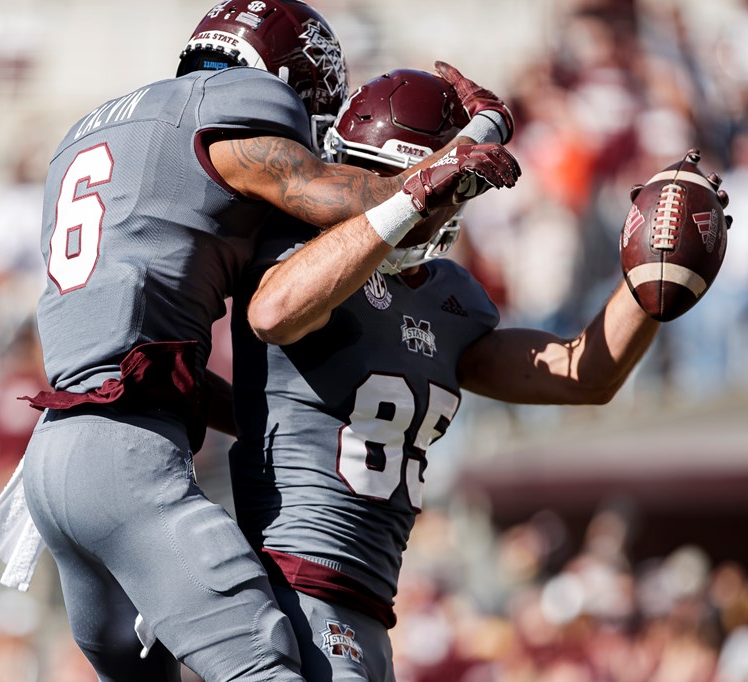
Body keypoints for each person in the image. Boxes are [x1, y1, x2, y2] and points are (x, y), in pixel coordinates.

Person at [0, 1, 520, 678]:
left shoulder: (88, 131)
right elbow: (349, 199)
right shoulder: (237, 105)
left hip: (54, 455)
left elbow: (158, 361)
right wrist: (464, 150)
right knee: (264, 663)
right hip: (128, 461)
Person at [227, 66, 726, 680]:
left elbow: (581, 375)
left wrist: (653, 276)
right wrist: (416, 191)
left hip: (365, 605)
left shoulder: (449, 299)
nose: (433, 205)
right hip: (288, 581)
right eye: (399, 181)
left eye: (448, 190)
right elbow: (272, 313)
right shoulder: (304, 253)